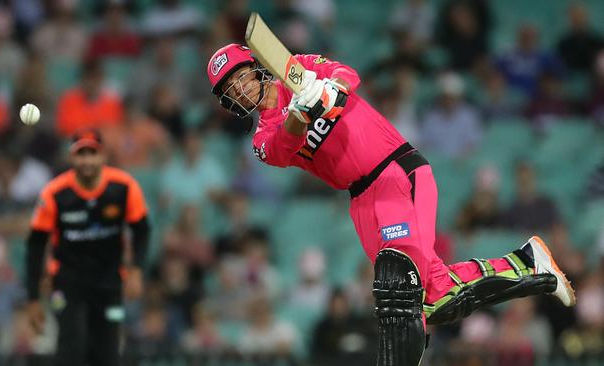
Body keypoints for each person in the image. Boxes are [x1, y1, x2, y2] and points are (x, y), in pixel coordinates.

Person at [206, 43, 576, 365]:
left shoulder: (297, 68)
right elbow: (284, 146)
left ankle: (529, 265)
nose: (240, 89)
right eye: (230, 90)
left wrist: (327, 91)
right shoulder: (262, 137)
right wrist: (300, 115)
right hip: (362, 201)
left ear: (255, 68)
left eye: (241, 77)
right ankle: (528, 264)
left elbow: (346, 75)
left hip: (395, 172)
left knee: (397, 290)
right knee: (431, 300)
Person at [25, 128, 150, 366]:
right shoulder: (55, 193)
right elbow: (36, 244)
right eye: (81, 154)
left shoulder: (123, 187)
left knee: (107, 353)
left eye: (92, 153)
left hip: (109, 282)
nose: (87, 160)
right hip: (67, 283)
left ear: (103, 156)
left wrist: (136, 270)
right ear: (72, 158)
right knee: (71, 348)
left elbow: (141, 229)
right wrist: (32, 298)